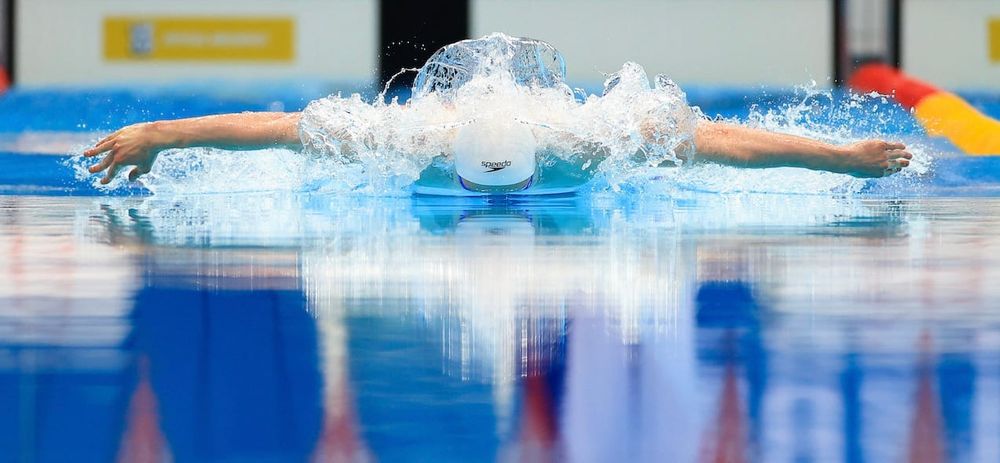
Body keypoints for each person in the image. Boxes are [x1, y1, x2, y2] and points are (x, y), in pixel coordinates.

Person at [84, 35, 912, 191]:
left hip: (538, 111)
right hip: (453, 111)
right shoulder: (403, 139)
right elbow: (275, 127)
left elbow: (717, 140)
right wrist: (158, 134)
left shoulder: (585, 140)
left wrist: (841, 158)